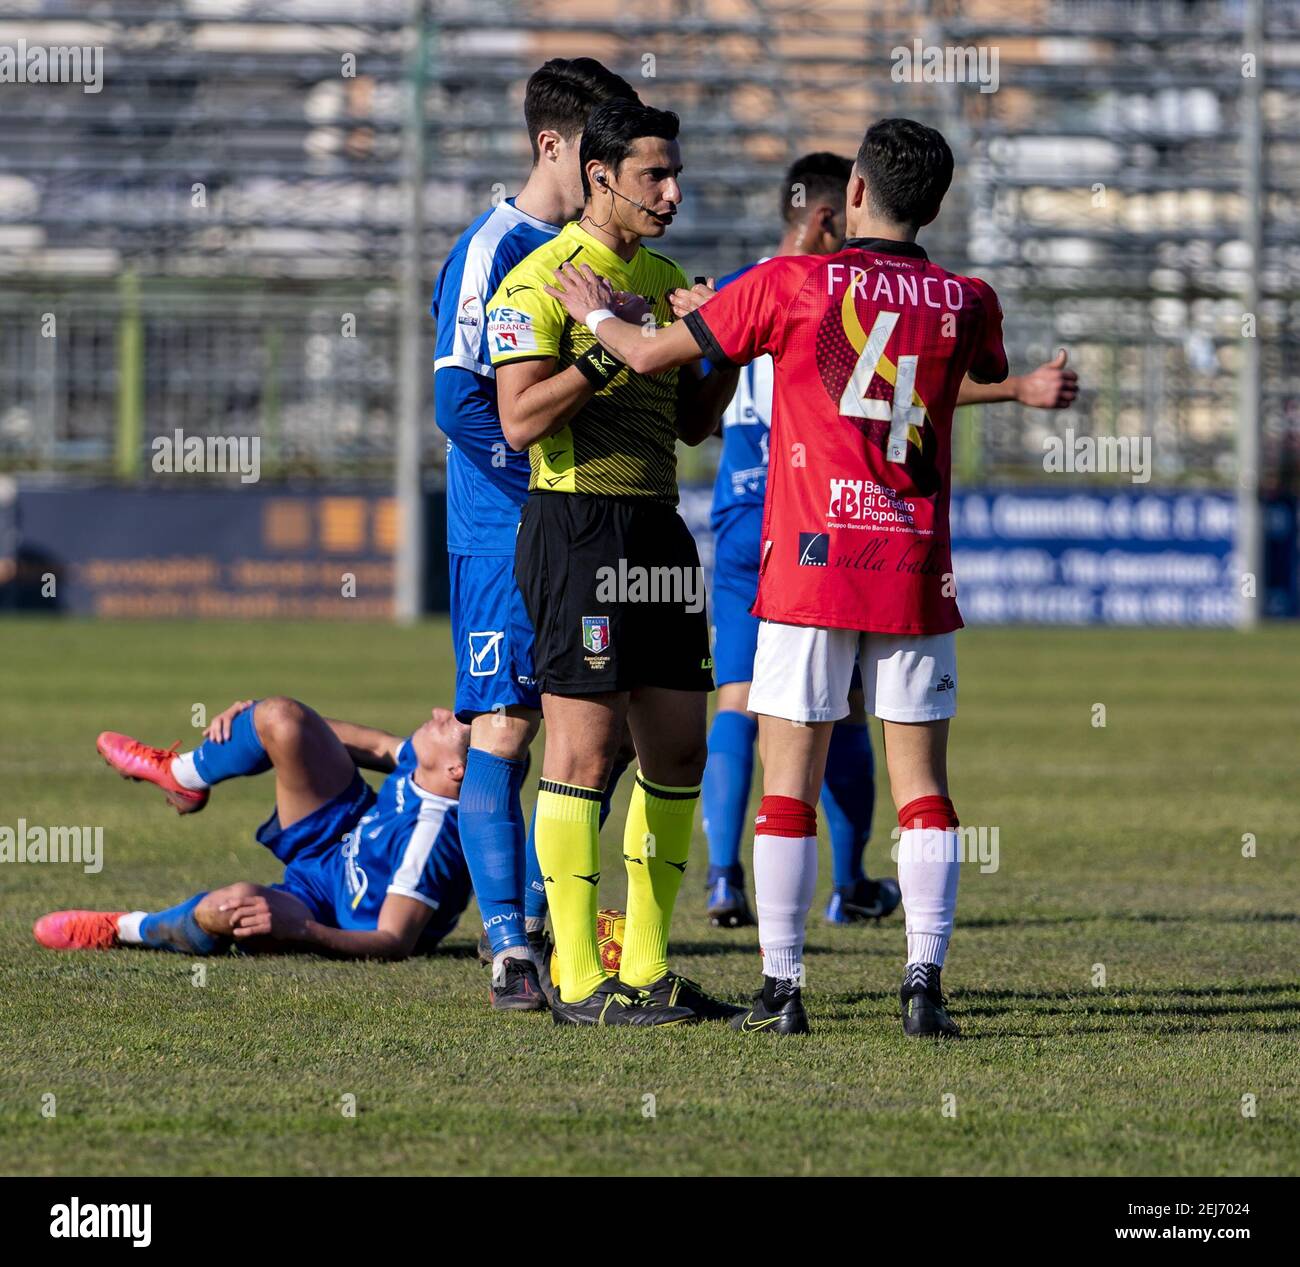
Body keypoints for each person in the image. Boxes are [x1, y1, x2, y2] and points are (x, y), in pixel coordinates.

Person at [539, 116, 1045, 1038]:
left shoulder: (792, 282)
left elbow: (651, 355)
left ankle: (784, 989)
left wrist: (594, 315)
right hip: (912, 563)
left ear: (854, 192)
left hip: (813, 565)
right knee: (924, 783)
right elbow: (984, 368)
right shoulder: (969, 298)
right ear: (934, 203)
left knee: (788, 781)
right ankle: (924, 983)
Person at [701, 152, 1078, 930]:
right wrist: (1015, 386)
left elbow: (677, 362)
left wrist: (622, 319)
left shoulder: (758, 288)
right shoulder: (921, 296)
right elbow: (911, 389)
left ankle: (735, 898)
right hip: (872, 535)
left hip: (767, 524)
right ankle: (869, 906)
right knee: (873, 732)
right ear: (829, 214)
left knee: (748, 705)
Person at [487, 99, 741, 1026]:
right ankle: (579, 981)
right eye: (653, 177)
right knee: (583, 751)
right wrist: (604, 344)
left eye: (676, 175)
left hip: (660, 526)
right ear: (599, 176)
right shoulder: (541, 280)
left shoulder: (667, 274)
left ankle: (645, 964)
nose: (673, 193)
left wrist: (718, 349)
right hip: (577, 524)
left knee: (678, 746)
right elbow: (517, 422)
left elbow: (692, 423)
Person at [431, 58, 641, 1007]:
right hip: (506, 528)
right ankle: (512, 943)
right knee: (506, 724)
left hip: (590, 531)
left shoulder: (594, 255)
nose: (611, 170)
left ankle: (558, 914)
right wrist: (541, 484)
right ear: (555, 144)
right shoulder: (493, 248)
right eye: (596, 149)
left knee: (609, 728)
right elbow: (455, 400)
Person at [34, 699, 500, 982]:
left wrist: (304, 932)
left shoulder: (433, 837)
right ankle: (180, 775)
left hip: (333, 914)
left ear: (456, 771)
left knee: (229, 908)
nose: (440, 713)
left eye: (450, 724)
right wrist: (252, 723)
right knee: (280, 717)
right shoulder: (428, 765)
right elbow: (311, 729)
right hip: (337, 840)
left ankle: (124, 928)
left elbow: (394, 940)